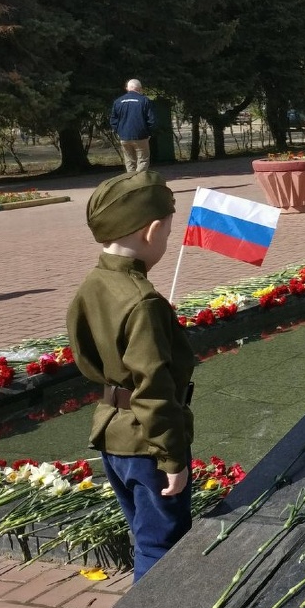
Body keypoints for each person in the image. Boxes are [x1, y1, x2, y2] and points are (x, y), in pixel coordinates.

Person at [67, 171, 195, 580]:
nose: (165, 242)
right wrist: (172, 456)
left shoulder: (93, 283)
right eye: (167, 234)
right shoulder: (143, 301)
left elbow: (85, 355)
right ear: (152, 230)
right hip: (147, 443)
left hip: (111, 434)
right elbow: (154, 389)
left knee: (145, 535)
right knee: (162, 545)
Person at [110, 79, 157, 173]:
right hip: (141, 136)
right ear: (140, 89)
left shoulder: (118, 102)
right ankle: (139, 182)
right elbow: (152, 120)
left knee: (129, 162)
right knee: (143, 161)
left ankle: (131, 184)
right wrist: (148, 133)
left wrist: (120, 132)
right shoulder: (144, 100)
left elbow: (113, 120)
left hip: (124, 137)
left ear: (127, 88)